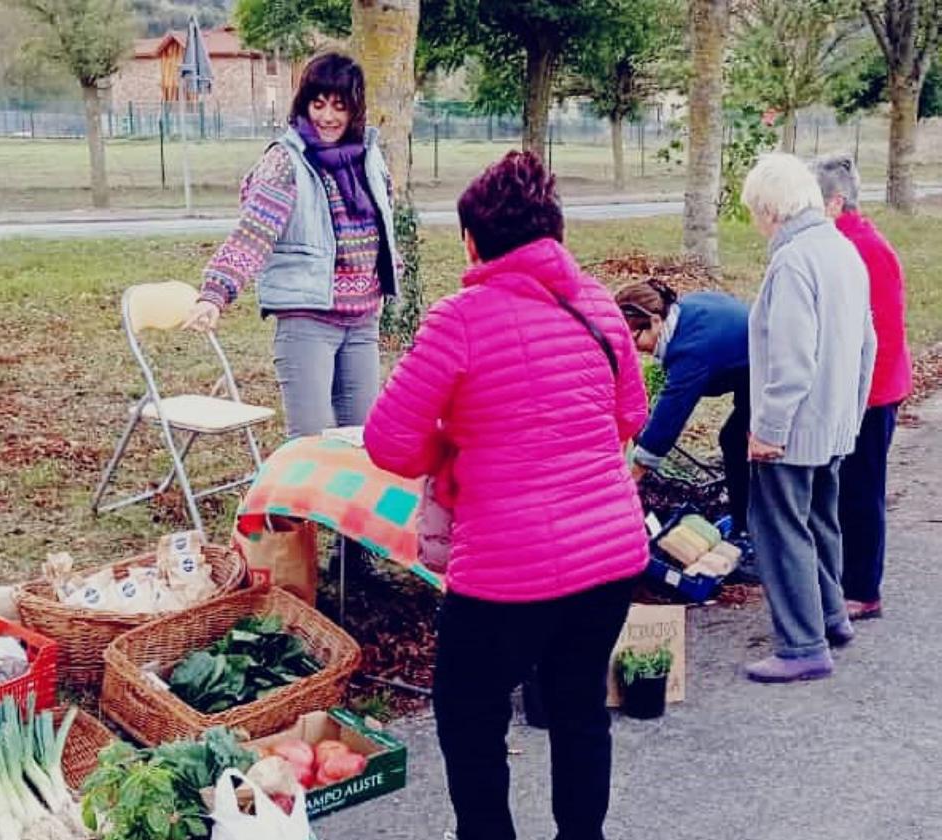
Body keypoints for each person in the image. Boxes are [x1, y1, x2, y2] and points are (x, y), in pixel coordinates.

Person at [364, 151, 649, 840]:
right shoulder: (602, 307)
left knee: (468, 710)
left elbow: (387, 443)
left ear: (472, 240)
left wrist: (457, 446)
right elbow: (629, 417)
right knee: (579, 706)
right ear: (554, 232)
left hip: (507, 572)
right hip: (610, 557)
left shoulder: (459, 318)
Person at [184, 52, 400, 441]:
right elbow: (252, 235)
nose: (328, 117)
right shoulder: (286, 163)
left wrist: (389, 274)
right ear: (304, 104)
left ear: (355, 109)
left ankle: (343, 507)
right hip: (308, 323)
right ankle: (298, 504)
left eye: (339, 106)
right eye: (318, 104)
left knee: (361, 444)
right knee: (313, 446)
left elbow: (384, 228)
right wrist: (214, 294)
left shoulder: (370, 158)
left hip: (362, 321)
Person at [740, 153, 876, 684]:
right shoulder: (843, 250)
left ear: (772, 209)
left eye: (754, 211)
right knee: (822, 520)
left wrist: (766, 431)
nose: (754, 222)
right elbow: (868, 342)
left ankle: (802, 644)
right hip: (835, 420)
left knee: (780, 528)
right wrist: (852, 413)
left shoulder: (793, 261)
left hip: (794, 427)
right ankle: (832, 614)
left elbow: (790, 361)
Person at [811, 154, 913, 622]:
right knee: (845, 488)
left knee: (861, 490)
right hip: (851, 391)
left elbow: (885, 335)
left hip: (871, 394)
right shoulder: (838, 244)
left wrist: (858, 399)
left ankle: (863, 588)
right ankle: (841, 578)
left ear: (834, 202)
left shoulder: (867, 251)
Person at [615, 280, 751, 535]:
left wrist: (633, 475)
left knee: (736, 441)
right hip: (752, 370)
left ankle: (745, 529)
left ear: (655, 321)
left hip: (770, 377)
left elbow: (672, 413)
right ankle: (743, 515)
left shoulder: (691, 349)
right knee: (734, 439)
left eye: (634, 338)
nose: (635, 348)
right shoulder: (685, 312)